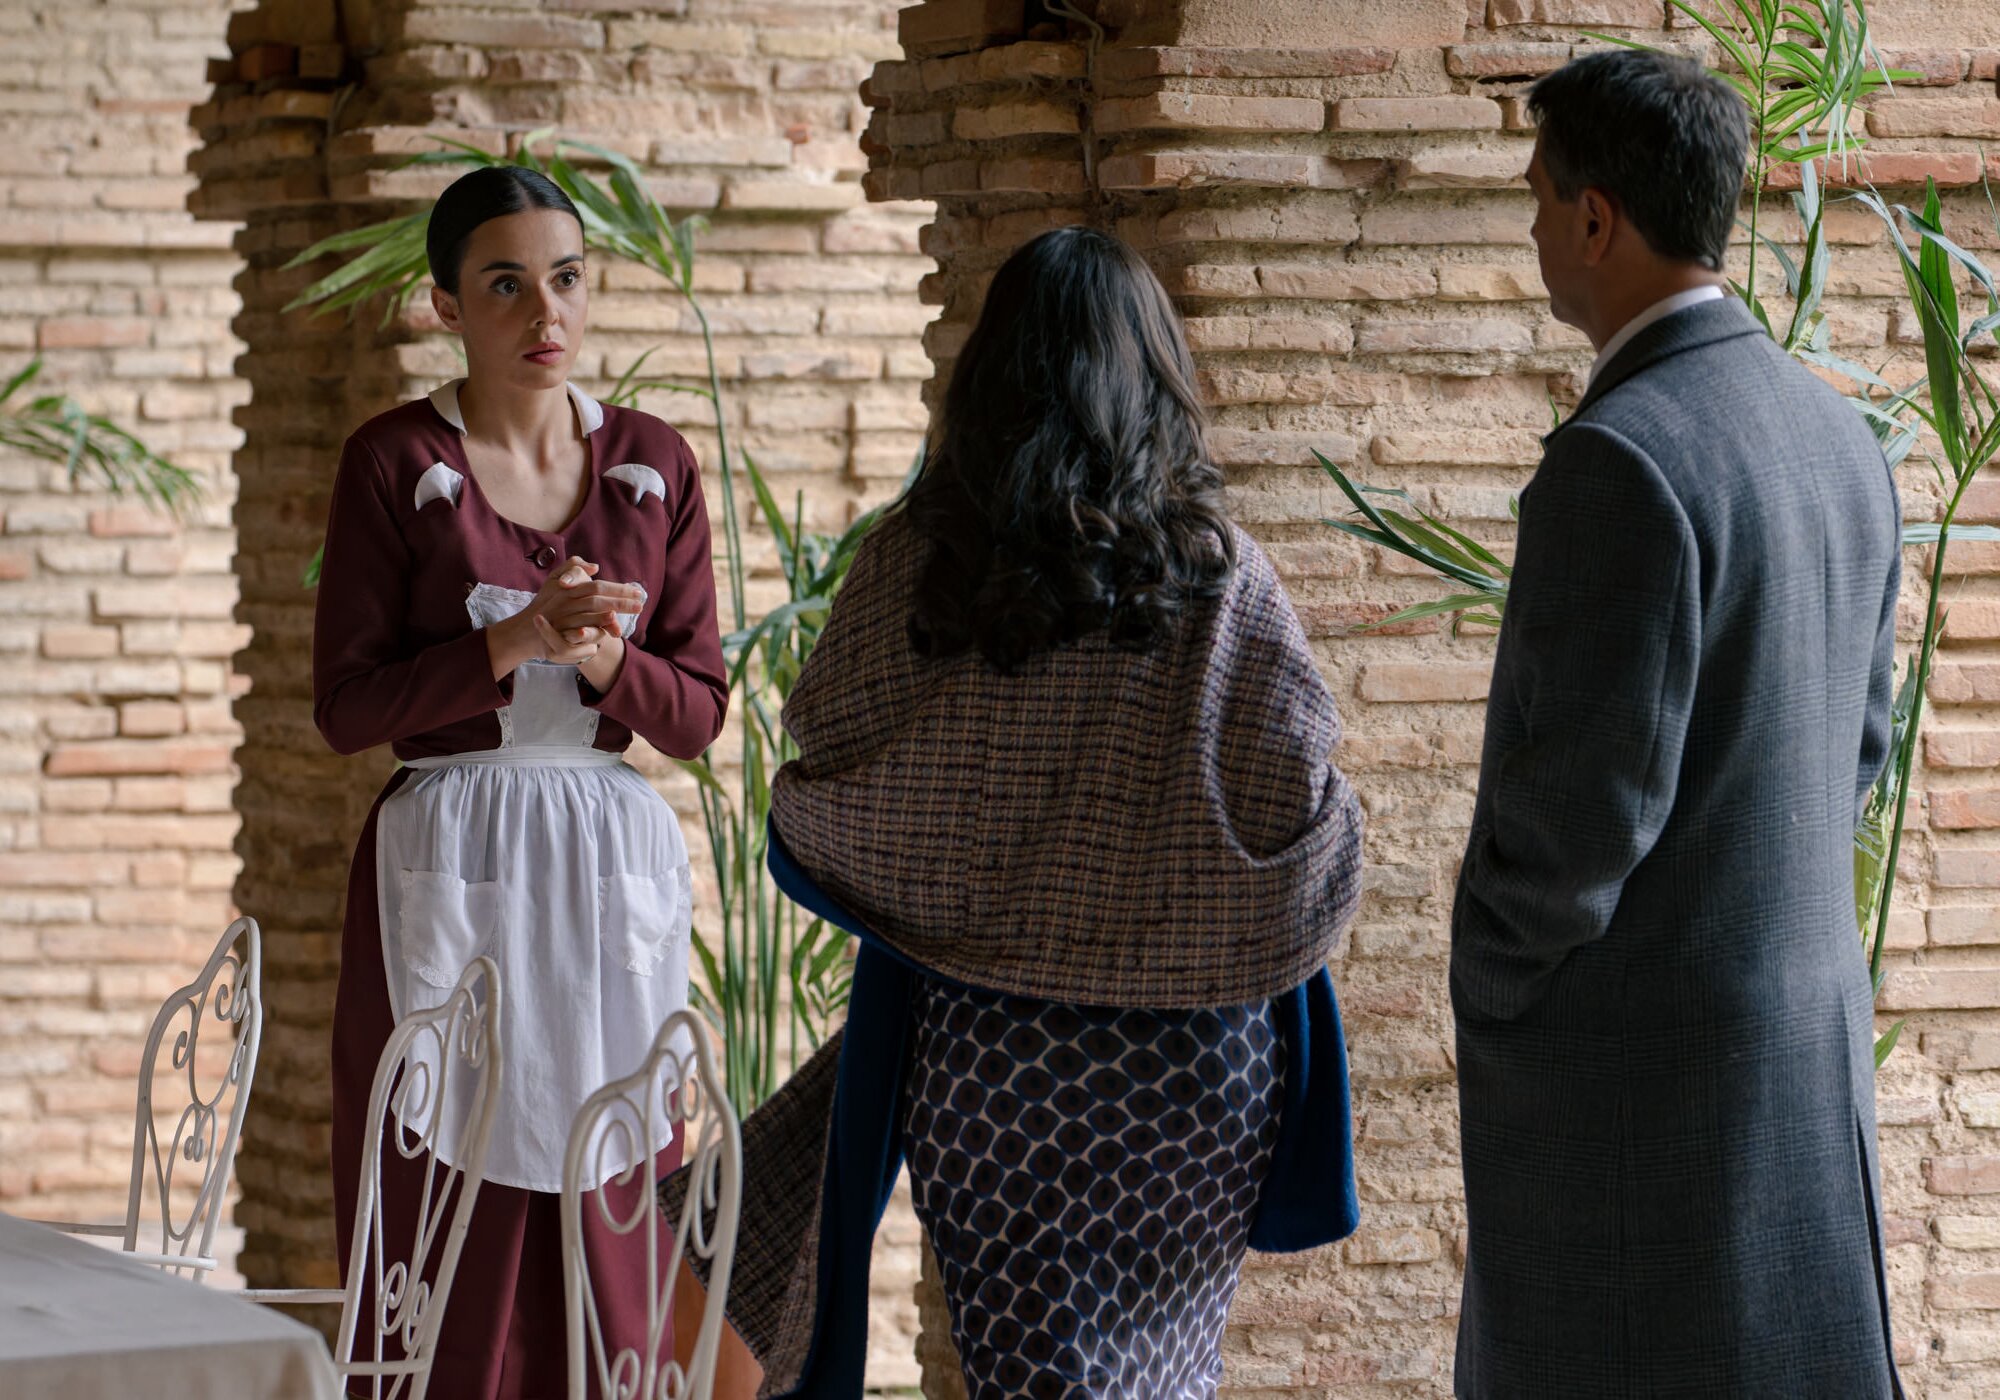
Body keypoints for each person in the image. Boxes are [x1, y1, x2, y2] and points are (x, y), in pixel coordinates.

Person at [666, 225, 1365, 1399]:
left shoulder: (922, 568)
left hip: (1001, 1068)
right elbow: (1292, 788)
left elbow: (827, 754)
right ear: (1156, 374)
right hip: (1193, 1074)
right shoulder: (1216, 570)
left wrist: (975, 865)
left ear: (989, 378)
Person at [1449, 49, 1902, 1397]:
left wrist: (1487, 961)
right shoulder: (1841, 439)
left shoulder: (1622, 459)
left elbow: (1580, 817)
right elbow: (1859, 750)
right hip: (1805, 1048)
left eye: (1539, 198)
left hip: (1642, 1088)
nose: (1535, 230)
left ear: (1598, 220)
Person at [312, 165, 728, 1398]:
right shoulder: (391, 460)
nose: (545, 310)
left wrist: (607, 663)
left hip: (609, 866)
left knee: (614, 1166)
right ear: (444, 305)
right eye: (504, 284)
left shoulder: (655, 462)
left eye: (566, 277)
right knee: (439, 1171)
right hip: (446, 862)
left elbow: (697, 710)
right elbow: (345, 710)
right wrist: (508, 645)